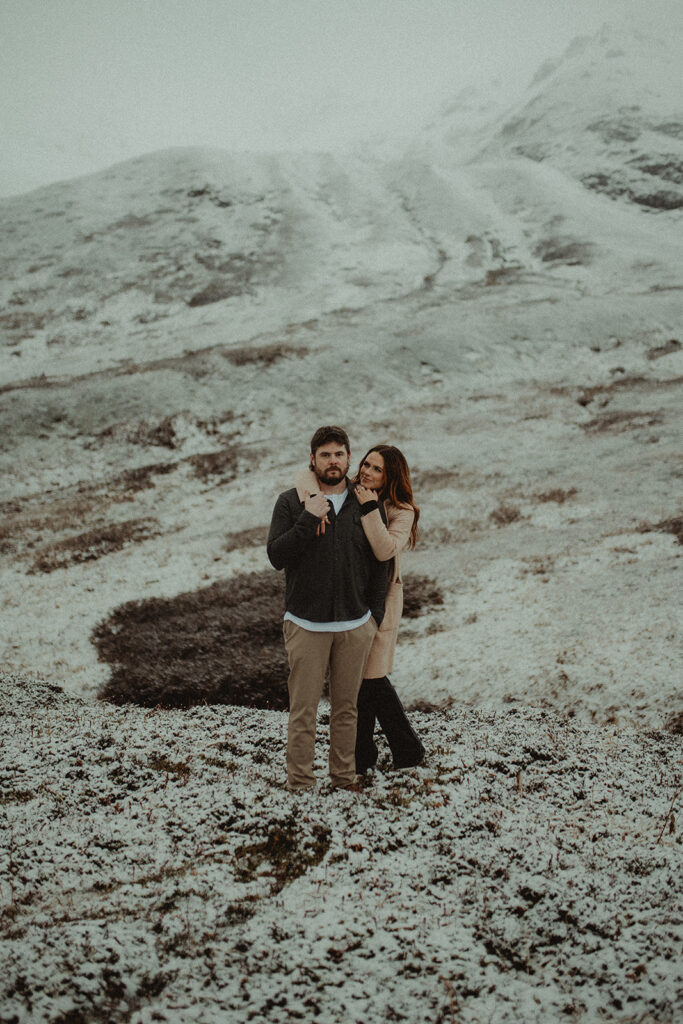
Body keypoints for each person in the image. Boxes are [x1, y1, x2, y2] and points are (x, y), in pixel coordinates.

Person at [267, 426, 388, 791]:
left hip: (354, 626)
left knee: (346, 710)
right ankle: (300, 782)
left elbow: (381, 562)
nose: (332, 461)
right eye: (325, 454)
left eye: (339, 454)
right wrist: (308, 517)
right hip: (306, 625)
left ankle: (344, 777)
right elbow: (276, 555)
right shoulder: (290, 502)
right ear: (312, 459)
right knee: (303, 711)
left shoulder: (367, 503)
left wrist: (373, 617)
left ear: (349, 459)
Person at [295, 444, 425, 773]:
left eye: (377, 469)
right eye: (366, 464)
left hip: (382, 601)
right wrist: (313, 499)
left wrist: (369, 509)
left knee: (372, 677)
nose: (367, 471)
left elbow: (384, 550)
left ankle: (406, 749)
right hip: (351, 595)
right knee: (361, 680)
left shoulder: (401, 509)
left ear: (391, 475)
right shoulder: (352, 491)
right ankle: (365, 754)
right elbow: (304, 475)